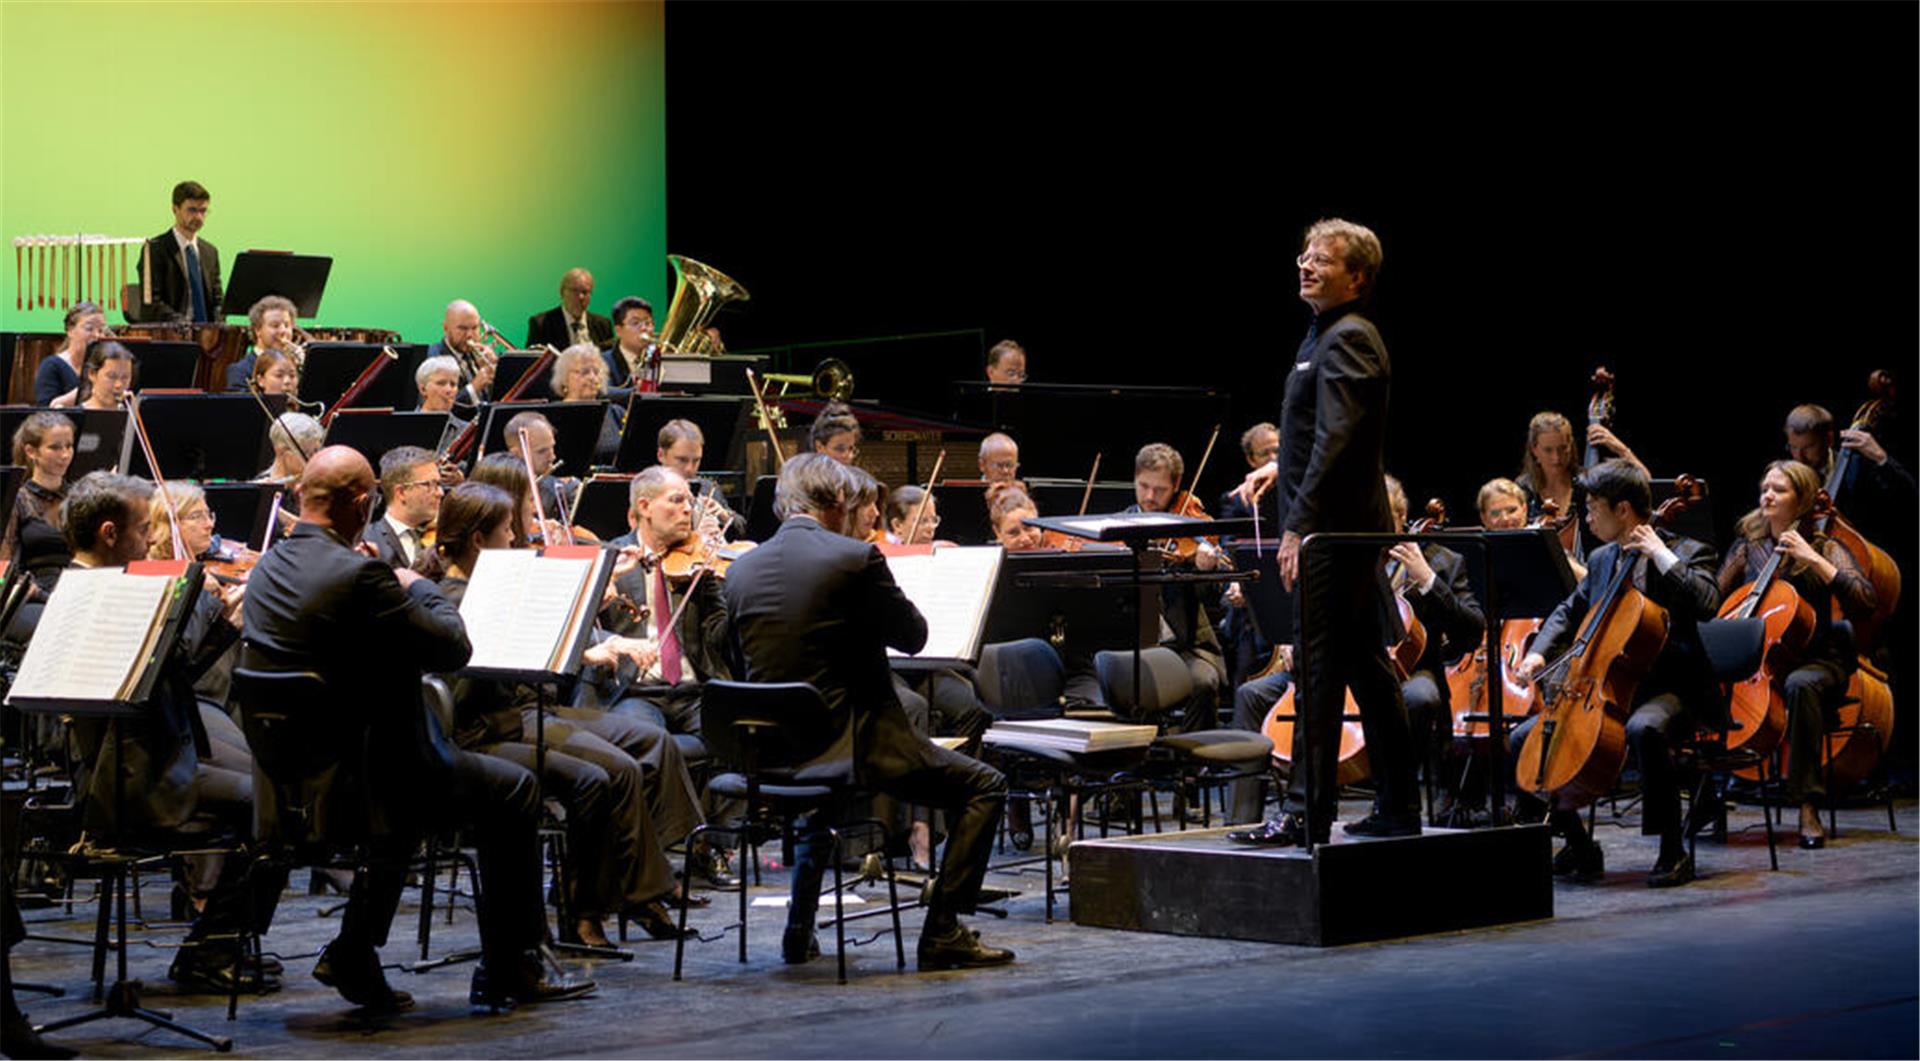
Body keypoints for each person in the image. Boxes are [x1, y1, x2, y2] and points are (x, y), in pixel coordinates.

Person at [241, 445, 591, 1010]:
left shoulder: (269, 567)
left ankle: (356, 949)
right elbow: (453, 646)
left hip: (295, 770)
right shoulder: (365, 575)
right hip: (370, 775)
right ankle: (512, 966)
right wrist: (413, 582)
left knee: (405, 805)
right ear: (361, 504)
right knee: (513, 788)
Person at [723, 453, 1013, 970]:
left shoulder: (740, 570)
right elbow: (914, 636)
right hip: (858, 744)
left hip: (772, 753)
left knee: (822, 796)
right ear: (837, 502)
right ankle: (943, 930)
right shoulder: (854, 559)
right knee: (984, 786)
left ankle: (798, 932)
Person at [426, 482, 693, 945]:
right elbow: (473, 684)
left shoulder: (495, 585)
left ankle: (640, 885)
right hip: (485, 729)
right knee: (612, 772)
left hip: (526, 712)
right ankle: (589, 907)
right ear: (477, 541)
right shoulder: (453, 598)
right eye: (509, 530)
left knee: (647, 743)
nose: (515, 540)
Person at [1227, 217, 1418, 846]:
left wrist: (1297, 526)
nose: (1305, 266)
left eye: (1323, 260)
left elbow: (1341, 439)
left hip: (1334, 535)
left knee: (1316, 671)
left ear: (1357, 277)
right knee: (1366, 665)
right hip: (1341, 530)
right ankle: (1397, 807)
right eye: (1303, 256)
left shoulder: (1349, 337)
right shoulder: (1327, 335)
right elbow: (1331, 430)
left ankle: (1308, 814)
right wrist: (1279, 467)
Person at [54, 473, 266, 994]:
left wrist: (222, 624)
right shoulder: (93, 598)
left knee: (273, 793)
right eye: (144, 528)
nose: (152, 539)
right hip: (129, 778)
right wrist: (198, 602)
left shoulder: (110, 588)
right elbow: (148, 684)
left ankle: (215, 945)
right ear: (110, 533)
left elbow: (175, 676)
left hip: (159, 757)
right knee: (271, 808)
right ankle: (212, 950)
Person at [1509, 459, 1722, 887]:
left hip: (1672, 689)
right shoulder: (1605, 558)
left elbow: (1708, 602)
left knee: (1645, 729)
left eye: (1593, 509)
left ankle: (1672, 851)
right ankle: (1580, 846)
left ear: (1623, 510)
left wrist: (1660, 555)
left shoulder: (1685, 551)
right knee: (1520, 739)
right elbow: (1569, 611)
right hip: (1605, 687)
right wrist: (1538, 655)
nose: (1586, 518)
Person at [1718, 460, 1875, 848]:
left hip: (1821, 661)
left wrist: (1813, 560)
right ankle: (1708, 795)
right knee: (1704, 676)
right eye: (1765, 488)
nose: (1767, 495)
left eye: (1780, 490)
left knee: (1801, 684)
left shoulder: (1825, 546)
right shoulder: (1747, 548)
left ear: (1803, 499)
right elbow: (1712, 603)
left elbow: (1866, 601)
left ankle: (1807, 804)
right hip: (1761, 662)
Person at [1127, 442, 1227, 731]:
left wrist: (1206, 568)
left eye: (1160, 490)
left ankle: (1193, 761)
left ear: (1176, 486)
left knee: (1204, 683)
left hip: (1186, 644)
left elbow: (1213, 598)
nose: (1149, 497)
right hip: (1131, 645)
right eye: (1143, 486)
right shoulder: (1116, 528)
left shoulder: (1193, 530)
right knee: (1126, 679)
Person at [131, 180, 221, 324]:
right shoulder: (155, 249)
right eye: (192, 210)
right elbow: (153, 303)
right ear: (175, 209)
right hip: (171, 333)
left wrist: (218, 325)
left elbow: (217, 300)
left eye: (203, 211)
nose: (198, 217)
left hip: (207, 334)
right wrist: (184, 325)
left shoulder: (210, 252)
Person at [1, 413, 73, 583]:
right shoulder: (17, 499)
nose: (65, 455)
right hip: (33, 593)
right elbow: (4, 563)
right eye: (55, 448)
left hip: (75, 588)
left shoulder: (80, 496)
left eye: (69, 446)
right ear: (31, 451)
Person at [656, 418, 744, 538]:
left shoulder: (708, 487)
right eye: (682, 460)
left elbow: (743, 529)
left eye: (696, 460)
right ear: (661, 455)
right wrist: (695, 537)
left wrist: (724, 516)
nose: (690, 469)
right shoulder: (648, 491)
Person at [362, 446, 443, 569]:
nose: (440, 492)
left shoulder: (436, 537)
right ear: (401, 492)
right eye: (430, 485)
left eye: (438, 484)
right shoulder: (368, 542)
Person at [551, 342, 623, 465]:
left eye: (596, 372)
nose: (592, 378)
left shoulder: (617, 413)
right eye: (584, 372)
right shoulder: (553, 416)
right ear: (564, 379)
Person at [503, 410, 574, 527]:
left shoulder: (558, 487)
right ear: (516, 454)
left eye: (552, 447)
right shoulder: (500, 492)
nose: (553, 457)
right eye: (542, 451)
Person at [425, 300, 499, 406]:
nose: (469, 335)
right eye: (462, 328)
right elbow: (440, 406)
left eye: (474, 328)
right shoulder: (434, 358)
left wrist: (494, 372)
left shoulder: (476, 354)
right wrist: (474, 388)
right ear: (445, 328)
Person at [35, 301, 108, 405]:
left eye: (101, 330)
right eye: (89, 328)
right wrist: (93, 388)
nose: (97, 335)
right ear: (70, 330)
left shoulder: (103, 366)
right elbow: (46, 410)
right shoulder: (51, 365)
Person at [526, 268, 613, 353]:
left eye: (585, 292)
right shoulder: (541, 324)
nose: (580, 297)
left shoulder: (603, 325)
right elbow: (533, 364)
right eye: (574, 291)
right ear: (562, 292)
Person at [225, 295, 301, 391]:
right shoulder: (240, 371)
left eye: (287, 325)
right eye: (275, 325)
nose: (283, 331)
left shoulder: (297, 367)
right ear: (258, 330)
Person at [52, 340, 134, 411]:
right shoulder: (73, 418)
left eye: (125, 377)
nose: (118, 385)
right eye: (111, 376)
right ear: (92, 374)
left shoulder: (133, 418)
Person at [606, 295, 656, 390]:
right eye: (635, 323)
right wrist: (639, 390)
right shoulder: (603, 362)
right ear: (618, 331)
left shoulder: (658, 360)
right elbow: (605, 393)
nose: (644, 328)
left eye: (648, 323)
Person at [256, 412, 323, 484]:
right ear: (284, 453)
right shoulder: (260, 488)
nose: (315, 460)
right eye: (308, 454)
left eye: (317, 451)